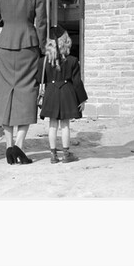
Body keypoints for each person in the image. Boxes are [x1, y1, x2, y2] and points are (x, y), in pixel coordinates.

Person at [0, 0, 47, 165]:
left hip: (5, 45)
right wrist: (42, 48)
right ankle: (19, 146)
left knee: (4, 94)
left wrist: (9, 19)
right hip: (29, 44)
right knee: (26, 93)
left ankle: (7, 144)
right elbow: (41, 22)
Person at [39, 25, 88, 164]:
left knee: (52, 124)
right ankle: (66, 154)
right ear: (65, 42)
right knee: (65, 124)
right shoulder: (72, 60)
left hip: (51, 93)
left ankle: (53, 155)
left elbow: (38, 79)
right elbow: (77, 83)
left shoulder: (43, 62)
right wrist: (82, 99)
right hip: (67, 93)